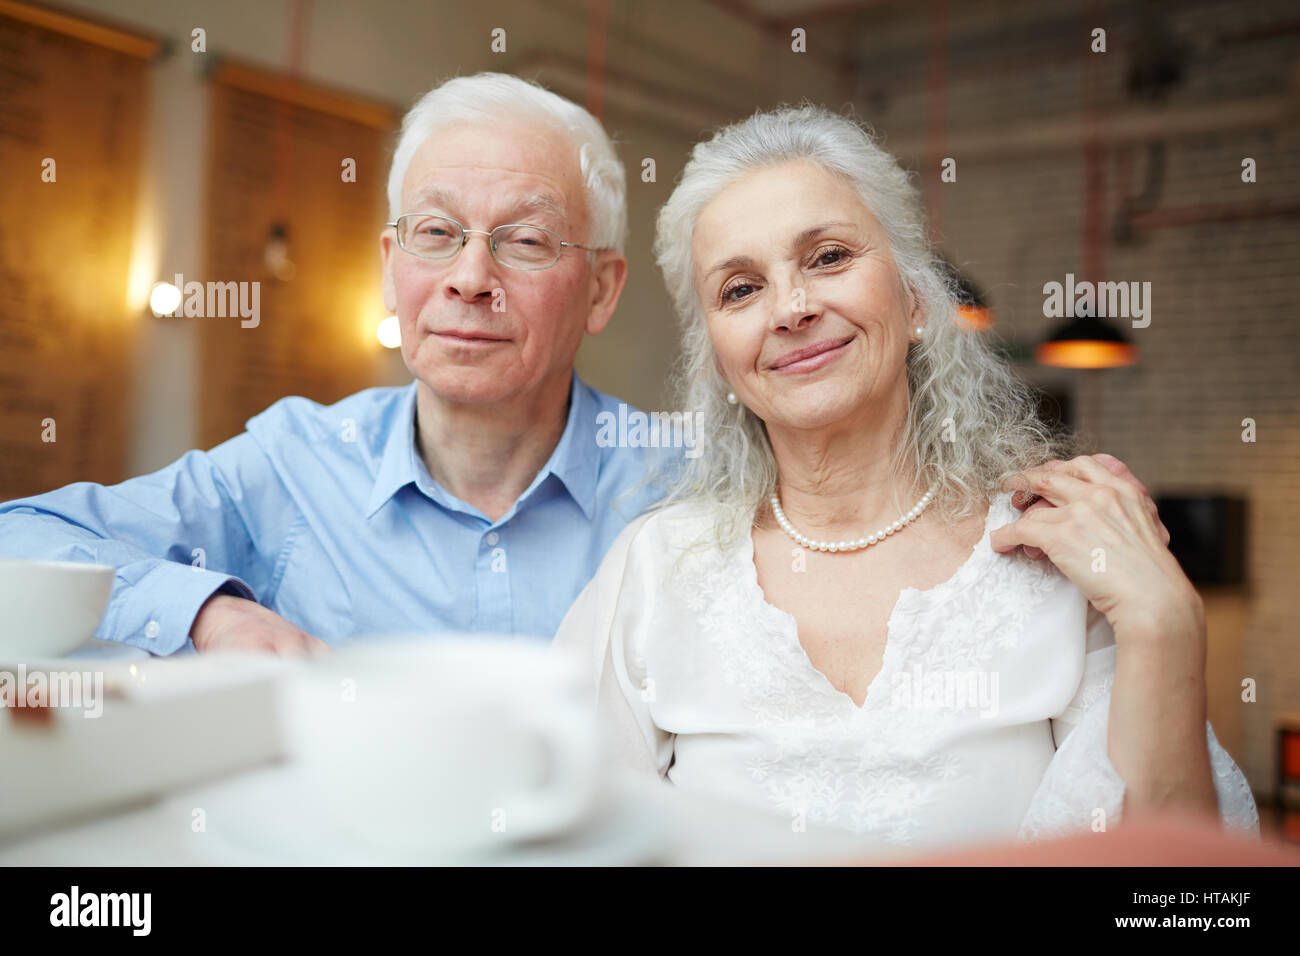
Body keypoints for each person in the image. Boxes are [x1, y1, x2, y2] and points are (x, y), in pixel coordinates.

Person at [0, 73, 1144, 662]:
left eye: (526, 239)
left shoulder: (693, 478)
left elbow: (872, 488)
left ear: (600, 287)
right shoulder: (289, 466)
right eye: (437, 234)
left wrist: (1046, 505)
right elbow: (19, 536)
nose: (470, 277)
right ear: (394, 266)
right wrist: (206, 612)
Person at [552, 105, 1258, 846]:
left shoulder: (1053, 550)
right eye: (740, 289)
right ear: (718, 358)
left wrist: (1166, 623)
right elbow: (569, 844)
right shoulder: (655, 569)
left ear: (916, 302)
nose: (791, 307)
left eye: (828, 257)